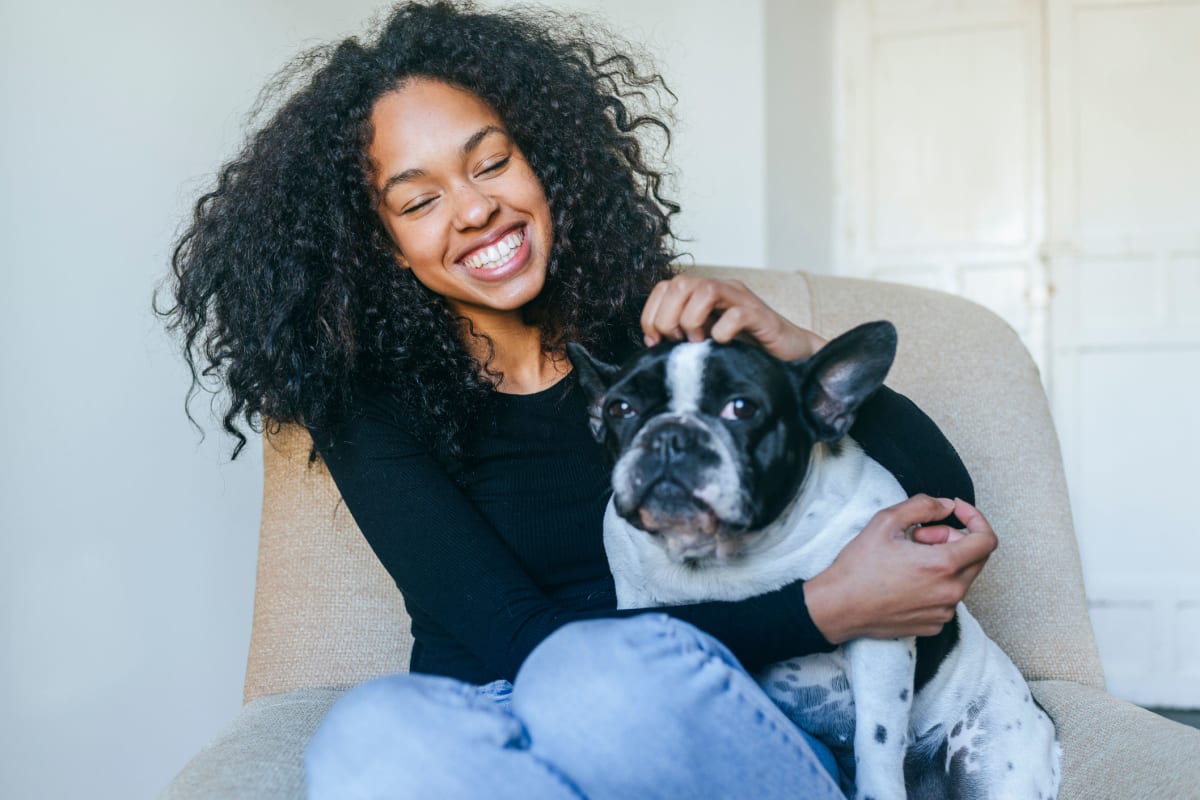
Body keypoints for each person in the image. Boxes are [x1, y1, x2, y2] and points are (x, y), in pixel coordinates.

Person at [160, 2, 997, 797]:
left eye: (492, 163)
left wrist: (788, 347)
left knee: (596, 684)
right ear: (378, 246)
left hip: (692, 718)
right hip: (496, 712)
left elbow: (944, 499)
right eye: (420, 201)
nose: (477, 207)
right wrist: (827, 607)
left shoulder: (667, 340)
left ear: (548, 161)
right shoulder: (363, 401)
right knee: (369, 731)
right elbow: (516, 642)